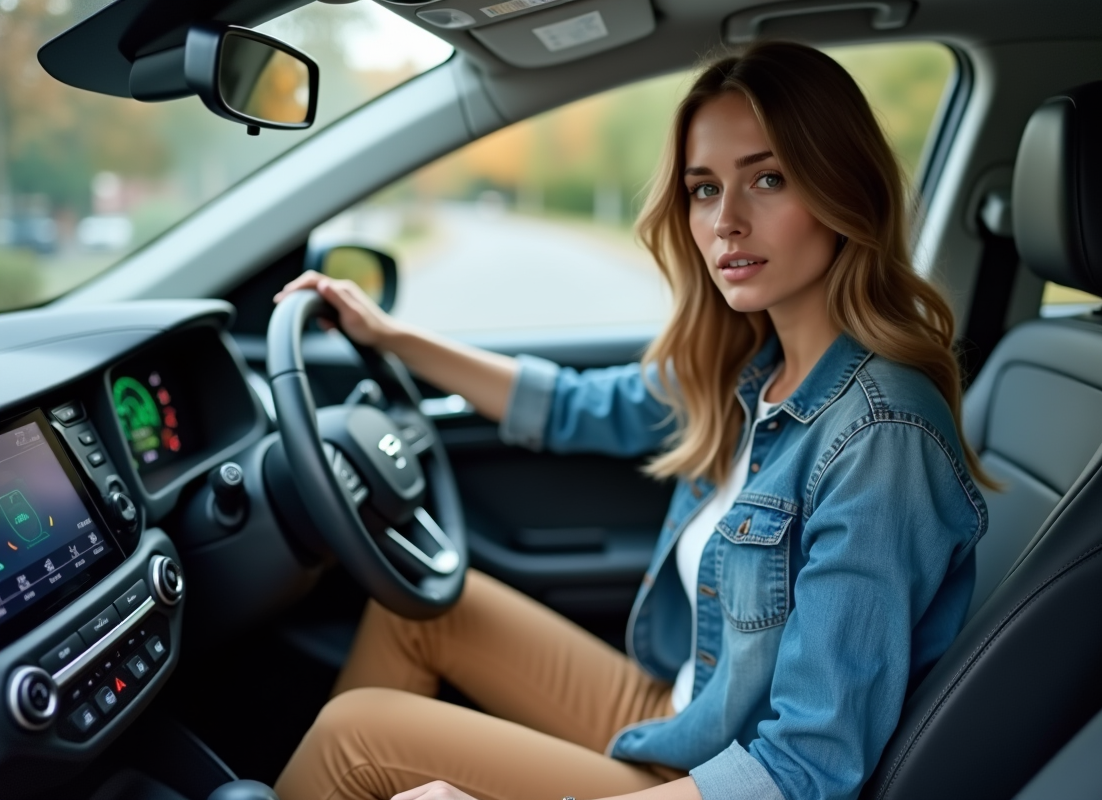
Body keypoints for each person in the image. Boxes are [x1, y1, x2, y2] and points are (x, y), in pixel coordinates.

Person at [272, 40, 990, 800]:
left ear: (844, 189)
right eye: (704, 189)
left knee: (354, 739)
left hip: (721, 776)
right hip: (687, 718)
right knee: (415, 609)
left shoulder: (880, 436)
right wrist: (391, 337)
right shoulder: (751, 368)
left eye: (768, 179)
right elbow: (575, 407)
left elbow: (804, 771)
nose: (727, 222)